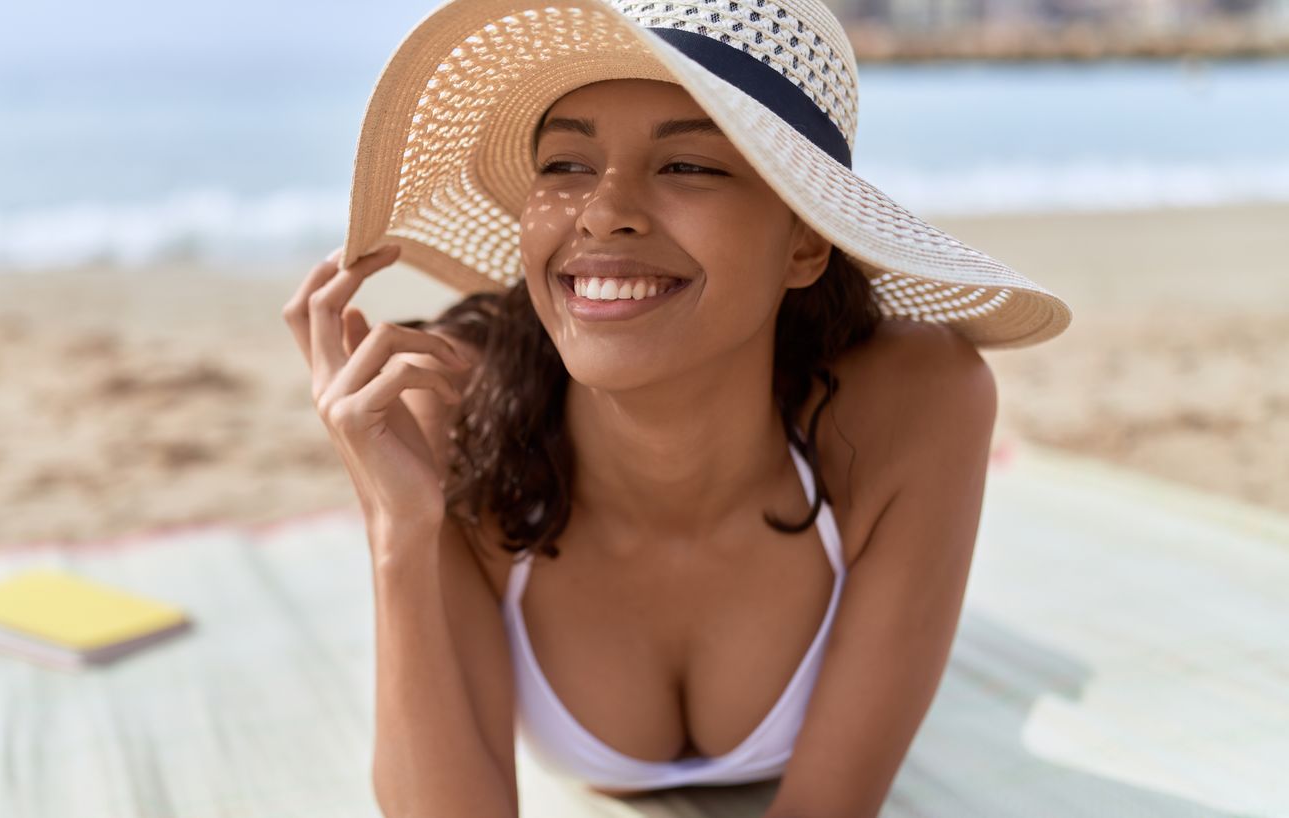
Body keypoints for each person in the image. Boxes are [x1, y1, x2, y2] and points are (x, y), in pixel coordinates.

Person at [283, 1, 1071, 816]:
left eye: (688, 166)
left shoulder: (916, 400)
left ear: (804, 242)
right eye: (565, 165)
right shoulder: (456, 414)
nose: (603, 210)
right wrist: (398, 532)